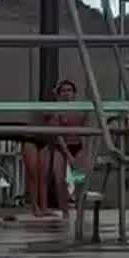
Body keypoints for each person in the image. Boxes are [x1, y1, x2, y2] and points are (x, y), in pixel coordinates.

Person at [23, 78, 85, 218]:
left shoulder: (81, 109)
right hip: (61, 147)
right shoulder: (55, 111)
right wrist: (68, 155)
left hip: (78, 146)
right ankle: (65, 211)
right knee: (59, 179)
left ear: (74, 93)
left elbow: (87, 132)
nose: (66, 93)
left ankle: (79, 205)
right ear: (59, 94)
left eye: (69, 90)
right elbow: (58, 135)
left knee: (79, 179)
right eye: (63, 90)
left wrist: (84, 151)